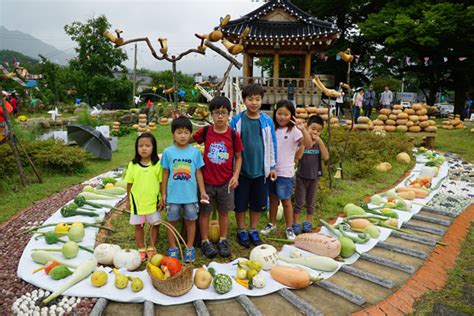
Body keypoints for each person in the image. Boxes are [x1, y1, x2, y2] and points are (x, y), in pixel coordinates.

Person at [193, 96, 243, 258]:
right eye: (216, 113)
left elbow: (239, 157)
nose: (220, 116)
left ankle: (223, 239)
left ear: (229, 114)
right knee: (205, 213)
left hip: (226, 183)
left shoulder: (233, 135)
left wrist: (235, 175)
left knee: (223, 212)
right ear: (211, 115)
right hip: (207, 181)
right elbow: (189, 140)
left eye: (223, 112)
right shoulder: (206, 132)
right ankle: (205, 241)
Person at [230, 83, 277, 248]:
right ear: (244, 100)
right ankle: (241, 229)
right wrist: (231, 169)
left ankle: (253, 229)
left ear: (261, 101)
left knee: (257, 203)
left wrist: (272, 166)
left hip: (260, 171)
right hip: (241, 171)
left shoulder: (266, 121)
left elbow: (272, 144)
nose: (254, 102)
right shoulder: (237, 121)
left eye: (257, 99)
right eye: (250, 99)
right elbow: (230, 144)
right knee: (241, 203)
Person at [160, 116, 208, 262]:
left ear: (190, 134)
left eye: (186, 132)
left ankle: (189, 247)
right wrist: (163, 193)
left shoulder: (194, 152)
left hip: (190, 197)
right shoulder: (168, 152)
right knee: (171, 221)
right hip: (173, 197)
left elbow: (198, 173)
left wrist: (203, 191)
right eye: (179, 132)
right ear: (173, 134)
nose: (183, 136)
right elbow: (165, 173)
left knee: (190, 221)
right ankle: (173, 248)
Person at [261, 100, 311, 240]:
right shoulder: (272, 129)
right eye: (279, 113)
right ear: (275, 113)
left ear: (291, 115)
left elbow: (308, 144)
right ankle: (272, 223)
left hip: (285, 172)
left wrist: (303, 129)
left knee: (286, 201)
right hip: (270, 170)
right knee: (272, 199)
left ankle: (289, 228)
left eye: (286, 114)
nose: (282, 117)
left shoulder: (294, 131)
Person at [124, 133, 163, 261]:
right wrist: (128, 200)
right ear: (136, 148)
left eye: (147, 145)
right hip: (137, 202)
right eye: (141, 146)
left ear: (153, 147)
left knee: (154, 225)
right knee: (138, 226)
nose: (144, 148)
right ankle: (141, 248)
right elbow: (129, 184)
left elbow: (161, 182)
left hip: (153, 202)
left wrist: (162, 197)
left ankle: (151, 246)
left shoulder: (157, 164)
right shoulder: (133, 165)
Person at [293, 115, 329, 234]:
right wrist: (305, 142)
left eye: (318, 131)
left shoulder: (319, 143)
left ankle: (308, 222)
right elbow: (298, 157)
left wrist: (320, 141)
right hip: (302, 176)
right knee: (299, 201)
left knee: (311, 202)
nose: (315, 132)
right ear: (307, 127)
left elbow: (326, 157)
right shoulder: (302, 140)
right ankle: (296, 223)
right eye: (313, 129)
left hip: (314, 177)